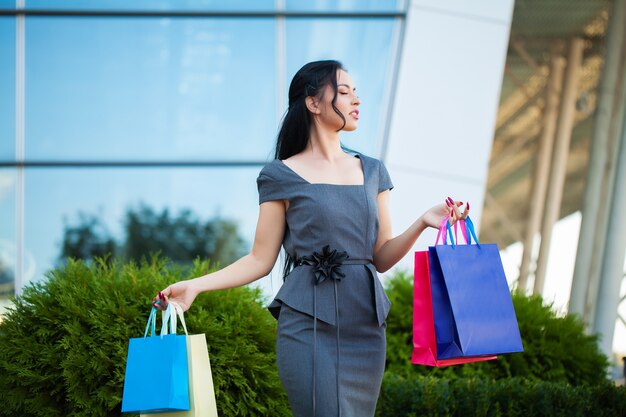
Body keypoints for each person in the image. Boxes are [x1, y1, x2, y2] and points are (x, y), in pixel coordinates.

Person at [153, 60, 468, 417]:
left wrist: (424, 222)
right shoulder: (279, 175)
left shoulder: (373, 170)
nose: (356, 101)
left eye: (356, 93)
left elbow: (380, 256)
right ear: (313, 103)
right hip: (307, 324)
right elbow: (260, 259)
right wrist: (195, 285)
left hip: (365, 326)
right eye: (344, 92)